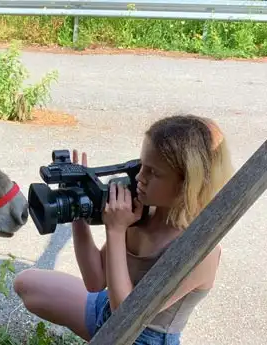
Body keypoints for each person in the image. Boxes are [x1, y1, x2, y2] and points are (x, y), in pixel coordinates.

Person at [13, 114, 234, 344]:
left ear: (187, 183)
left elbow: (126, 317)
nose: (139, 177)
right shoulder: (143, 212)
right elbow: (95, 280)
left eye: (153, 172)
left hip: (139, 336)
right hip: (107, 310)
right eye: (141, 165)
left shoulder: (200, 250)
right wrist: (78, 205)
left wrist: (116, 231)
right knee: (27, 284)